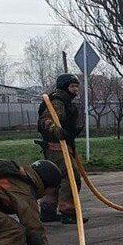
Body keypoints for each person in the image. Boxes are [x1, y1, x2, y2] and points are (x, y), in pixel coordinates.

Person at [37, 73, 84, 223]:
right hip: (57, 147)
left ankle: (47, 210)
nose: (76, 90)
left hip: (60, 147)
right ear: (65, 87)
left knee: (54, 178)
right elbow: (46, 120)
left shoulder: (64, 101)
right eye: (73, 86)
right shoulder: (58, 101)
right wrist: (58, 131)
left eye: (77, 86)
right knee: (71, 177)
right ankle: (68, 211)